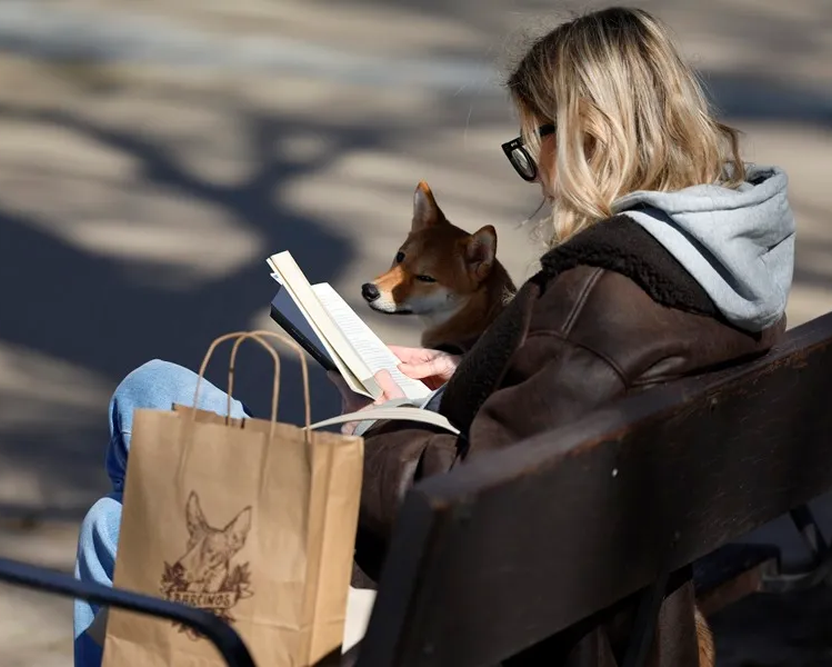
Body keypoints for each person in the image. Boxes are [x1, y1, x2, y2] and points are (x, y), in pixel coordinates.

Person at [73, 6, 794, 667]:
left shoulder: (601, 301)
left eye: (532, 145)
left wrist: (379, 413)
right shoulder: (724, 269)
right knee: (155, 393)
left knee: (117, 518)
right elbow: (557, 409)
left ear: (587, 135)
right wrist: (460, 372)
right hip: (589, 583)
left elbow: (475, 498)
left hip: (441, 598)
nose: (537, 178)